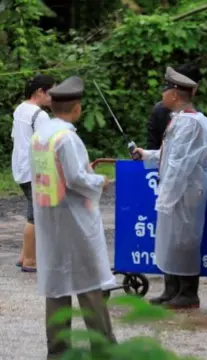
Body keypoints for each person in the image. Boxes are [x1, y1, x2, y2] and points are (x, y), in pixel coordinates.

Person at [30, 76, 117, 358]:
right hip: (74, 220)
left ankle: (57, 350)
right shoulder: (66, 137)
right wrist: (100, 181)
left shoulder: (42, 134)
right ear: (77, 107)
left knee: (57, 287)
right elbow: (77, 178)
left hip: (49, 218)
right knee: (89, 284)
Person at [133, 67, 207, 310]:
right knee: (171, 238)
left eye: (166, 90)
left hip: (185, 191)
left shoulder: (190, 123)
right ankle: (171, 289)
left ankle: (188, 293)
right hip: (176, 189)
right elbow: (170, 155)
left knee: (184, 240)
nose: (163, 95)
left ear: (176, 94)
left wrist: (166, 197)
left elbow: (180, 165)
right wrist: (146, 154)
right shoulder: (180, 119)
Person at [12, 74, 56, 272]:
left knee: (33, 211)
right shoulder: (40, 115)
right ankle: (30, 260)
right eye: (51, 92)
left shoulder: (20, 109)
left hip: (20, 167)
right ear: (40, 92)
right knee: (36, 216)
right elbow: (48, 144)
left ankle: (24, 256)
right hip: (34, 170)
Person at [146, 63, 203, 150]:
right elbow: (155, 147)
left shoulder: (193, 121)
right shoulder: (159, 111)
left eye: (167, 87)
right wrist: (146, 155)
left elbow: (179, 159)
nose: (163, 93)